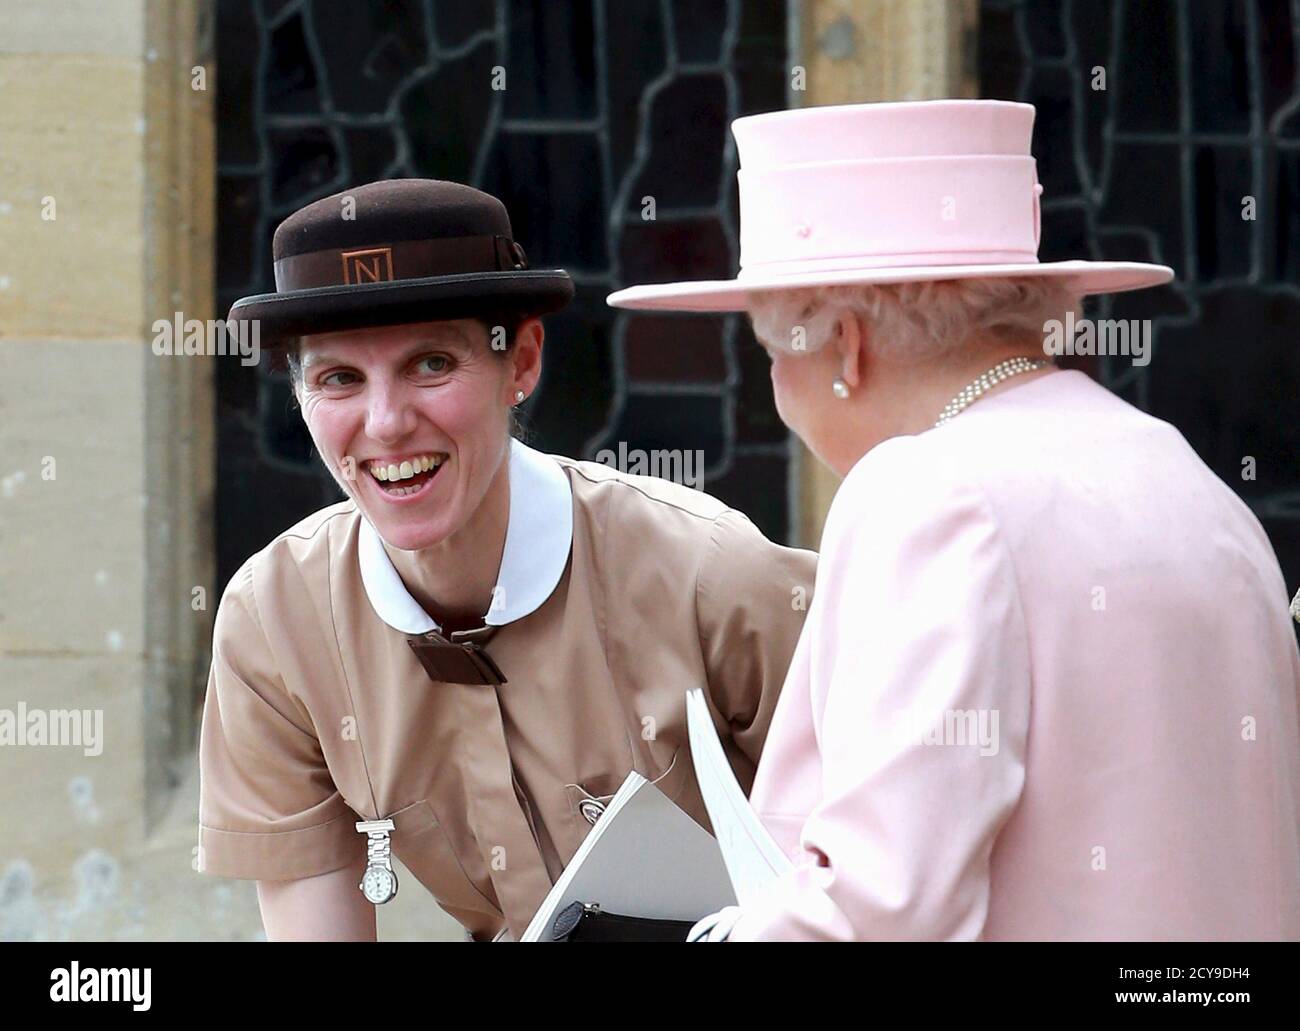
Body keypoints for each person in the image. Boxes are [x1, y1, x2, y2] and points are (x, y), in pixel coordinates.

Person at [608, 99, 1300, 941]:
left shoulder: (926, 494)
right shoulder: (1191, 481)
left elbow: (880, 906)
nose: (776, 392)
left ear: (846, 347)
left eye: (771, 356)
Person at [197, 178, 815, 941]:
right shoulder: (273, 625)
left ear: (521, 359)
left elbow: (893, 870)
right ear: (300, 396)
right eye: (340, 379)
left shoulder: (716, 575)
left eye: (430, 364)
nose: (386, 424)